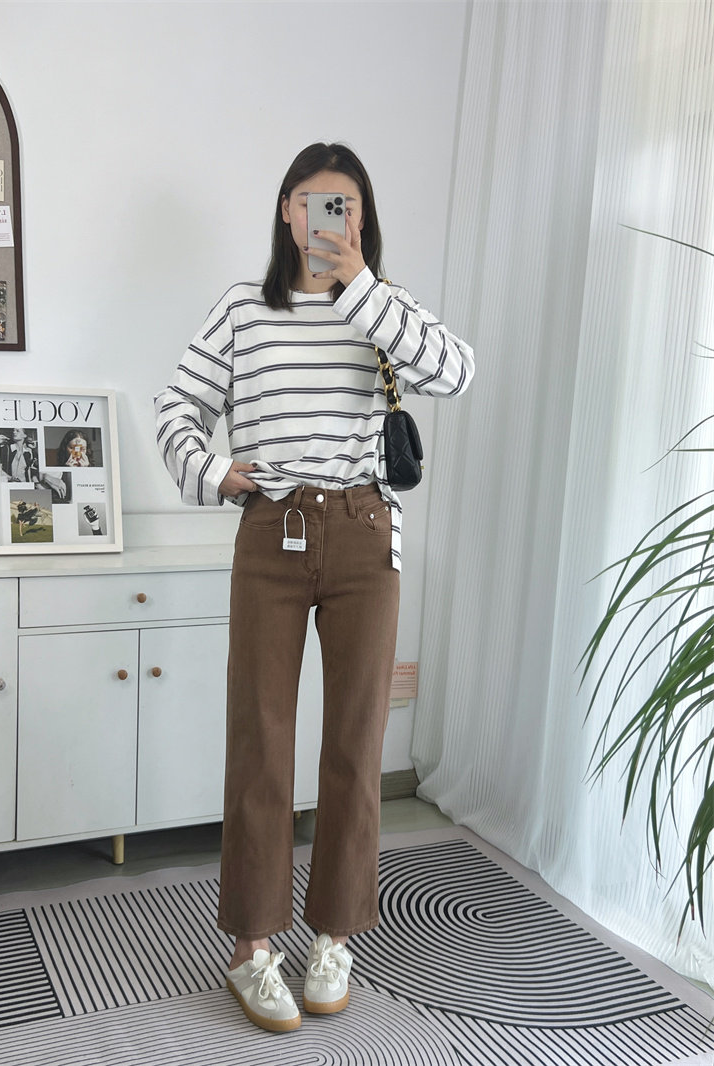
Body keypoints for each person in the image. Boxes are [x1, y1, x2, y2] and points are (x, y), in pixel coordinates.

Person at [154, 142, 474, 1034]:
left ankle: (334, 937)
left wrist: (361, 287)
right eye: (307, 201)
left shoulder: (382, 306)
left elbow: (457, 372)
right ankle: (252, 948)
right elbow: (175, 405)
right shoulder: (242, 308)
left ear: (362, 219)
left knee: (355, 744)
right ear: (284, 212)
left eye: (342, 204)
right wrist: (212, 471)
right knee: (260, 738)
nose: (322, 218)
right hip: (272, 529)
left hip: (366, 534)